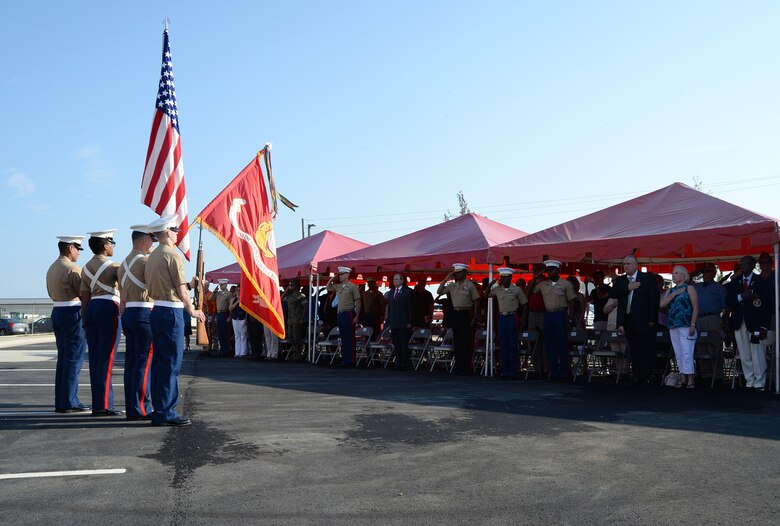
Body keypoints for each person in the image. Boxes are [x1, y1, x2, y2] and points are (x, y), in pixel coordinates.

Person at [145, 215, 205, 426]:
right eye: (175, 231)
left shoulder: (152, 256)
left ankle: (159, 408)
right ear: (168, 232)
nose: (177, 234)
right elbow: (180, 291)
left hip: (158, 310)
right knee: (171, 364)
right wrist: (193, 310)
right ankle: (166, 412)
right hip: (171, 313)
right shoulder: (173, 256)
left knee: (160, 363)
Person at [80, 229, 123, 417]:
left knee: (96, 359)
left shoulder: (85, 267)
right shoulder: (114, 266)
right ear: (105, 245)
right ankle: (103, 406)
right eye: (111, 243)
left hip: (91, 310)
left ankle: (98, 402)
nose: (113, 246)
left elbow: (84, 297)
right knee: (107, 358)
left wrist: (83, 322)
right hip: (108, 308)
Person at [117, 223, 157, 420]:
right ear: (144, 240)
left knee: (132, 364)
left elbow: (122, 297)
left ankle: (133, 406)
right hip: (144, 313)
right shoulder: (146, 262)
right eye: (152, 241)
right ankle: (141, 408)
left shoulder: (123, 263)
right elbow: (156, 289)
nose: (153, 245)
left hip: (128, 314)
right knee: (144, 363)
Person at [46, 235, 90, 413]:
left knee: (63, 359)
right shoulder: (73, 269)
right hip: (72, 313)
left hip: (57, 311)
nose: (78, 253)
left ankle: (62, 400)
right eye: (78, 249)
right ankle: (70, 401)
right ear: (70, 248)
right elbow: (84, 295)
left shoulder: (52, 268)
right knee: (73, 359)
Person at [610, 255, 660, 386]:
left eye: (628, 263)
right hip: (628, 319)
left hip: (644, 319)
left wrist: (652, 319)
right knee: (634, 348)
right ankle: (637, 375)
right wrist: (628, 288)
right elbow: (613, 293)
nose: (625, 266)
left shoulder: (647, 279)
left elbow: (654, 300)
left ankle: (646, 375)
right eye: (624, 264)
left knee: (646, 348)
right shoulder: (621, 280)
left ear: (636, 265)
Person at [726, 255, 772, 390]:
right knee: (744, 353)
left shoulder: (760, 281)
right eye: (741, 262)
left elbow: (766, 305)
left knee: (757, 353)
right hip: (739, 322)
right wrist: (741, 296)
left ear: (753, 265)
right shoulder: (735, 282)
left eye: (745, 262)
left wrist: (764, 325)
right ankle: (749, 381)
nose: (742, 264)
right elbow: (729, 301)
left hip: (756, 323)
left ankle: (760, 382)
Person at [533, 260, 577, 382]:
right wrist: (535, 278)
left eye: (551, 270)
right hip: (548, 314)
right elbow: (530, 291)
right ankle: (554, 372)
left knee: (561, 344)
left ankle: (563, 373)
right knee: (550, 344)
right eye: (547, 271)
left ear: (557, 270)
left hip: (560, 314)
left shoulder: (566, 284)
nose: (549, 273)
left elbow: (572, 301)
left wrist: (571, 317)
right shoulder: (543, 284)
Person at [436, 263, 480, 375]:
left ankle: (466, 367)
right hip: (456, 313)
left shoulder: (470, 285)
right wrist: (446, 279)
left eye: (459, 272)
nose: (457, 274)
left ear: (465, 273)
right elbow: (439, 291)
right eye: (455, 272)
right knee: (457, 341)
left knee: (466, 341)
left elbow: (477, 301)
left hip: (466, 313)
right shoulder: (452, 286)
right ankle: (459, 366)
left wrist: (475, 316)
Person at [660, 266, 699, 388]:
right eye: (672, 273)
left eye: (676, 273)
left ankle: (690, 379)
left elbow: (695, 307)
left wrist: (693, 324)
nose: (673, 275)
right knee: (678, 352)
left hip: (686, 324)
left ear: (683, 275)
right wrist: (674, 294)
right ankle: (683, 378)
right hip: (673, 324)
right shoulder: (670, 290)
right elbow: (661, 305)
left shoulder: (689, 288)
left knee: (687, 351)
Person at [487, 267, 528, 380]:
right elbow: (486, 295)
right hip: (502, 317)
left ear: (510, 277)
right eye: (501, 277)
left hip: (512, 316)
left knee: (512, 345)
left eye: (505, 277)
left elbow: (524, 304)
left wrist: (523, 318)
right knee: (503, 345)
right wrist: (490, 284)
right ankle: (504, 371)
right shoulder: (498, 289)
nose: (502, 279)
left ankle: (512, 371)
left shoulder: (517, 289)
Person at [693, 262, 727, 381]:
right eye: (703, 272)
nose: (705, 274)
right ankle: (705, 374)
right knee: (701, 346)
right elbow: (685, 282)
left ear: (714, 273)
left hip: (713, 318)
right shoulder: (696, 286)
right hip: (698, 318)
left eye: (708, 271)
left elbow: (725, 307)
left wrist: (723, 321)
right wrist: (694, 273)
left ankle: (717, 375)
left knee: (714, 346)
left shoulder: (719, 287)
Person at [326, 267, 362, 366]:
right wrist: (332, 279)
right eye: (339, 274)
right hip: (340, 314)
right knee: (343, 337)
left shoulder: (353, 287)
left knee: (350, 337)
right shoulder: (338, 286)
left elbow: (358, 301)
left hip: (349, 313)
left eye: (341, 274)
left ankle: (351, 360)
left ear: (347, 275)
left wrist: (357, 316)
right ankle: (345, 359)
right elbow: (328, 287)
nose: (340, 276)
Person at [385, 273, 414, 369]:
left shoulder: (408, 292)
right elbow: (390, 309)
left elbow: (411, 308)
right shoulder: (391, 292)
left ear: (402, 281)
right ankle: (398, 363)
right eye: (394, 279)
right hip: (394, 322)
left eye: (397, 279)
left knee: (404, 344)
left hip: (404, 323)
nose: (395, 281)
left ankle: (405, 363)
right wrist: (388, 322)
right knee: (396, 344)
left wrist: (410, 322)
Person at [525, 263, 549, 377]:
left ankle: (545, 368)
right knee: (533, 341)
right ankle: (536, 368)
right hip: (532, 313)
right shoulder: (531, 282)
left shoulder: (546, 281)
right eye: (533, 270)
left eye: (536, 269)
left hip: (543, 313)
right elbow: (527, 294)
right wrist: (534, 279)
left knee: (544, 342)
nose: (534, 271)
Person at [282, 279, 308, 359]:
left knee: (297, 337)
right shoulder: (289, 296)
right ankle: (294, 352)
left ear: (297, 286)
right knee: (290, 336)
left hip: (298, 319)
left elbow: (304, 308)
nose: (291, 287)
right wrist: (286, 292)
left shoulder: (301, 296)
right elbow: (280, 299)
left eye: (292, 285)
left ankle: (298, 353)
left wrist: (302, 318)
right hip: (290, 319)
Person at [208, 279, 231, 357]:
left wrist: (229, 317)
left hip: (224, 313)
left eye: (222, 285)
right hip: (218, 314)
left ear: (226, 285)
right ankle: (222, 350)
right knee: (220, 332)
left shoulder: (229, 294)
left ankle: (226, 350)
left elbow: (230, 306)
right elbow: (210, 299)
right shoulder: (218, 293)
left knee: (225, 332)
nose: (221, 286)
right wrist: (214, 291)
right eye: (220, 285)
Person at [229, 285, 248, 358]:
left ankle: (243, 352)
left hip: (242, 318)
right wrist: (237, 302)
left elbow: (246, 310)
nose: (239, 292)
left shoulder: (244, 299)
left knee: (243, 335)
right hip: (235, 318)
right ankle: (237, 352)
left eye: (240, 290)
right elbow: (230, 308)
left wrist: (246, 319)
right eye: (237, 290)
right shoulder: (233, 299)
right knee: (237, 336)